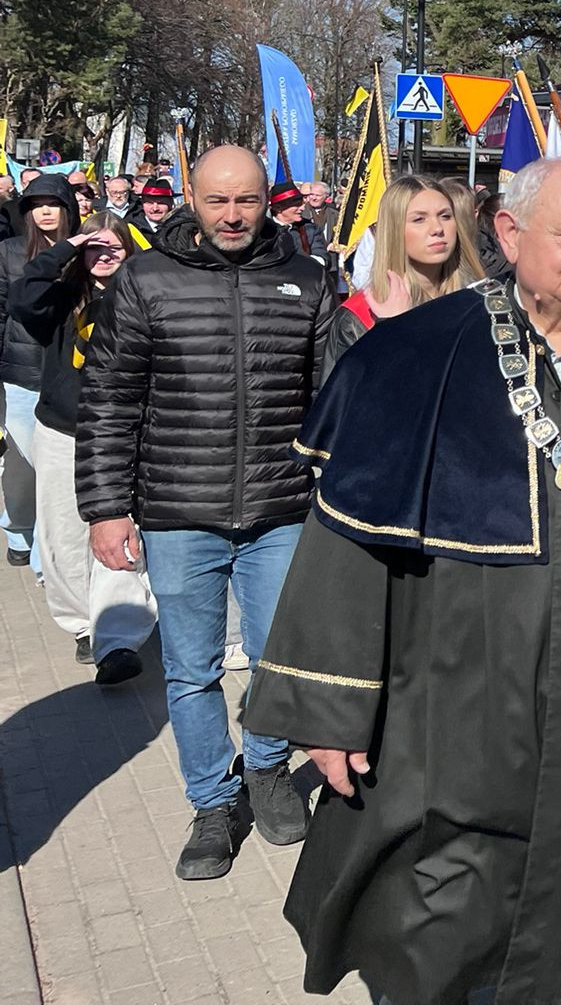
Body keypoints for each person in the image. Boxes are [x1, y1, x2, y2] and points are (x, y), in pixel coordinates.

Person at [242, 157, 561, 1004]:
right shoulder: (414, 357)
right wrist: (329, 710)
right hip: (451, 693)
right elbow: (348, 549)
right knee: (437, 907)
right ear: (509, 234)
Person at [76, 145, 334, 880]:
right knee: (191, 670)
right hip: (177, 511)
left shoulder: (307, 279)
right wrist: (106, 509)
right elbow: (109, 400)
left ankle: (267, 767)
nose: (232, 215)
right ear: (192, 197)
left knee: (279, 657)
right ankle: (213, 802)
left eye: (246, 200)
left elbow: (330, 400)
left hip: (281, 509)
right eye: (217, 200)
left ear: (265, 200)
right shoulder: (147, 278)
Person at [8, 214, 157, 682]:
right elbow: (23, 297)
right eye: (95, 247)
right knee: (63, 533)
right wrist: (66, 247)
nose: (104, 255)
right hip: (61, 429)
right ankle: (82, 625)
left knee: (119, 527)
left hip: (123, 432)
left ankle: (119, 639)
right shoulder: (62, 298)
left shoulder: (144, 298)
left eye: (114, 247)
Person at [0, 173, 80, 567]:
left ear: (68, 208)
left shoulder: (84, 248)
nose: (45, 211)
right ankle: (18, 530)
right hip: (21, 375)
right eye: (36, 205)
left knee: (54, 471)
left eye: (53, 204)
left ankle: (47, 554)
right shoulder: (9, 251)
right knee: (22, 466)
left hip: (66, 376)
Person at [326, 175, 484, 370]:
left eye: (445, 216)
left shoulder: (480, 303)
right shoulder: (356, 318)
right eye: (419, 219)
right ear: (393, 229)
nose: (437, 228)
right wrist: (392, 330)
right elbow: (345, 389)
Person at [270, 180, 330, 266]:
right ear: (278, 208)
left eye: (302, 204)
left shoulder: (310, 229)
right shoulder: (264, 230)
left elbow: (323, 258)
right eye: (297, 205)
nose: (302, 208)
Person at [130, 176, 176, 245]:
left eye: (160, 203)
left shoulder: (181, 228)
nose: (155, 208)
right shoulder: (130, 229)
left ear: (171, 203)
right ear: (142, 203)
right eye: (149, 203)